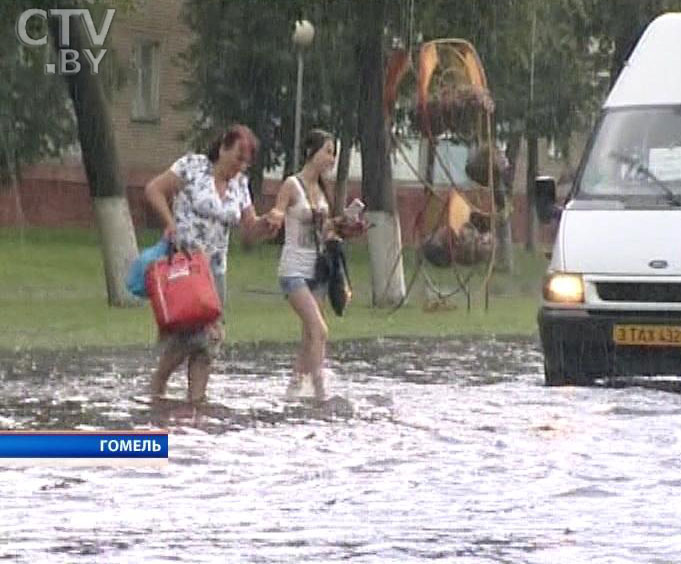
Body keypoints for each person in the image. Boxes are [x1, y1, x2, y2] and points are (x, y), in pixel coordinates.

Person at [144, 124, 278, 404]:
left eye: (245, 161)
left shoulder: (239, 183)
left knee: (208, 342)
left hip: (215, 271)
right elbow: (154, 190)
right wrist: (170, 225)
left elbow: (248, 229)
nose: (240, 166)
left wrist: (267, 226)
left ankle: (196, 401)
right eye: (237, 158)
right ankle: (159, 382)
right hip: (184, 266)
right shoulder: (192, 167)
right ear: (222, 148)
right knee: (195, 335)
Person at [267, 129, 365, 402]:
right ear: (312, 152)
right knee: (320, 329)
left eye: (334, 153)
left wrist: (344, 225)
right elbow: (279, 210)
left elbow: (325, 231)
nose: (332, 159)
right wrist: (275, 215)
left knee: (309, 336)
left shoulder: (322, 190)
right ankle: (320, 391)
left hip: (318, 268)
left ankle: (293, 390)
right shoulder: (292, 184)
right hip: (293, 270)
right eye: (328, 152)